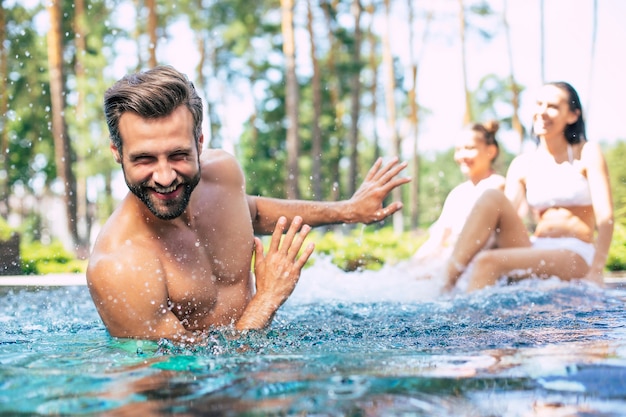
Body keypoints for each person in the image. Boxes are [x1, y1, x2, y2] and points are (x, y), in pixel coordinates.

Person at [87, 65, 410, 341]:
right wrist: (267, 298)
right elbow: (185, 377)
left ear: (199, 143)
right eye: (144, 159)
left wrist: (348, 211)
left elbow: (249, 211)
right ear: (117, 153)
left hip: (253, 357)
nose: (165, 177)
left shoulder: (222, 174)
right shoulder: (120, 266)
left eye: (178, 155)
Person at [445, 81, 613, 292]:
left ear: (572, 115)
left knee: (488, 262)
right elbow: (504, 219)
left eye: (552, 106)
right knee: (492, 198)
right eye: (539, 104)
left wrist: (596, 270)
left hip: (574, 251)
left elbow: (606, 218)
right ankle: (444, 284)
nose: (542, 112)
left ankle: (464, 322)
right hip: (534, 246)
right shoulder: (523, 164)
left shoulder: (587, 153)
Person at [410, 121, 504, 267]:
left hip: (480, 265)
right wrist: (410, 265)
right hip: (452, 261)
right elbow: (437, 241)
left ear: (491, 151)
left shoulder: (497, 185)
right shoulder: (458, 194)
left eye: (469, 148)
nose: (462, 155)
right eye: (458, 149)